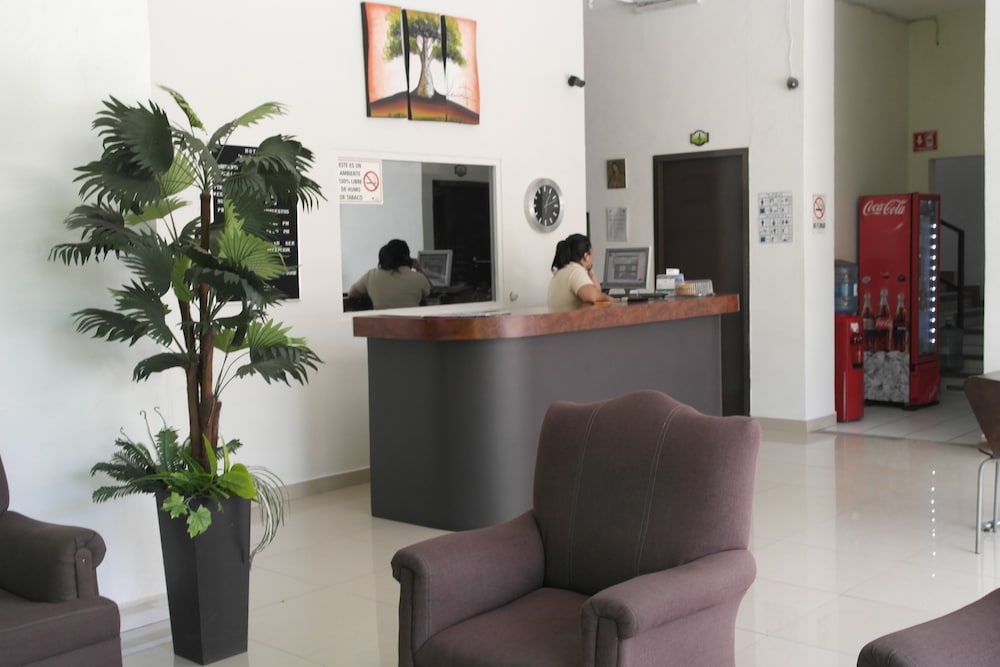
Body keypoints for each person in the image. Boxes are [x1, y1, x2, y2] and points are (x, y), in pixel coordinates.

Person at [349, 239, 432, 310]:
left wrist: (372, 292)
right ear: (407, 258)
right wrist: (418, 267)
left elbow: (352, 293)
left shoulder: (371, 275)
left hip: (382, 324)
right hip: (411, 323)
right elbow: (430, 291)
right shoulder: (418, 278)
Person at [547, 233, 613, 310]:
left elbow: (597, 292)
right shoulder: (576, 271)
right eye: (592, 253)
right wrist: (615, 300)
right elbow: (594, 297)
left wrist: (590, 271)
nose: (593, 258)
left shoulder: (563, 270)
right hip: (569, 317)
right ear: (586, 256)